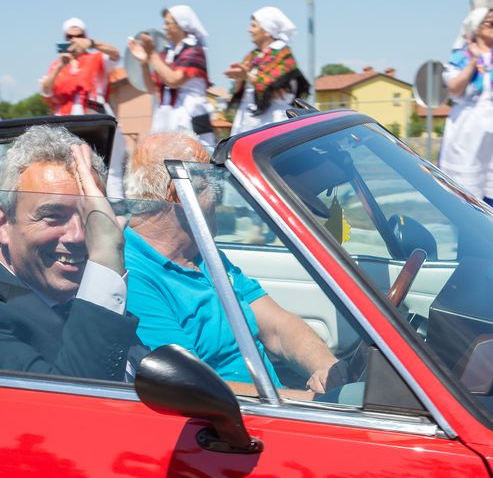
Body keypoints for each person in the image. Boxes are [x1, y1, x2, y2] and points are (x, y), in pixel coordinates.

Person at [123, 132, 340, 394]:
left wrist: (327, 368)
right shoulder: (134, 275)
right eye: (212, 185)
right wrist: (304, 402)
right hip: (231, 414)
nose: (219, 198)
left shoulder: (201, 253)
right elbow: (192, 386)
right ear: (179, 194)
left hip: (274, 402)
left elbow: (278, 326)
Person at [0, 125, 138, 380]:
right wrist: (106, 254)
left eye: (89, 216)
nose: (78, 236)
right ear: (3, 222)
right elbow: (79, 399)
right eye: (52, 216)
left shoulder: (83, 291)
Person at [439, 7, 493, 212]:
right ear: (477, 28)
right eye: (491, 23)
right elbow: (454, 88)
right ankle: (469, 225)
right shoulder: (461, 55)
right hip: (469, 126)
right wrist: (473, 61)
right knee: (467, 185)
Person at [40, 18, 126, 197]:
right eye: (69, 36)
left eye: (79, 36)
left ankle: (115, 208)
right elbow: (46, 91)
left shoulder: (97, 58)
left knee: (109, 170)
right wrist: (60, 66)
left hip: (96, 118)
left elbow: (116, 55)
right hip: (66, 122)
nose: (74, 40)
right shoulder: (57, 65)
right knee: (69, 168)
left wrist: (92, 44)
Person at [127, 5, 216, 150]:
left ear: (181, 25)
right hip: (166, 118)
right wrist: (144, 63)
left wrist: (152, 54)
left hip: (189, 116)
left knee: (194, 158)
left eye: (168, 23)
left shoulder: (195, 50)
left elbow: (174, 80)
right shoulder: (166, 53)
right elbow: (151, 88)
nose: (164, 27)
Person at [225, 7, 310, 135]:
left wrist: (247, 77)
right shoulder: (253, 56)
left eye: (254, 26)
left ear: (267, 31)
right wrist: (239, 78)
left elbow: (278, 91)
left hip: (273, 120)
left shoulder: (282, 54)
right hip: (249, 119)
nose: (249, 30)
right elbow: (244, 90)